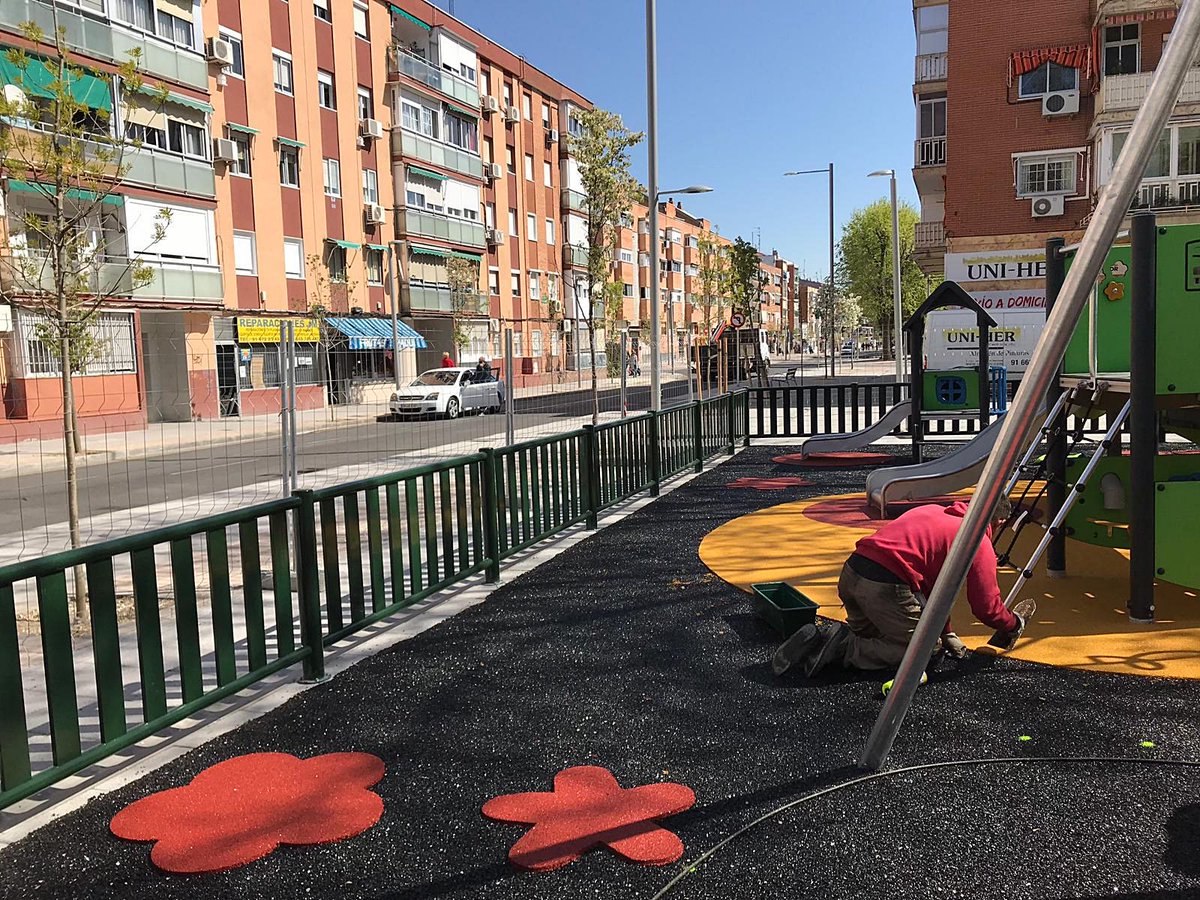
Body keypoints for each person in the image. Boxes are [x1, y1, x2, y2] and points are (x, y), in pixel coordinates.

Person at [772, 497, 1033, 679]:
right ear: (999, 522)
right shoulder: (977, 541)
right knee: (922, 651)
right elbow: (985, 607)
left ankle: (832, 638)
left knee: (876, 633)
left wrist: (947, 631)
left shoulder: (931, 511)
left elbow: (934, 590)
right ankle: (844, 648)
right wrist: (1012, 624)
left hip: (853, 572)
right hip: (885, 587)